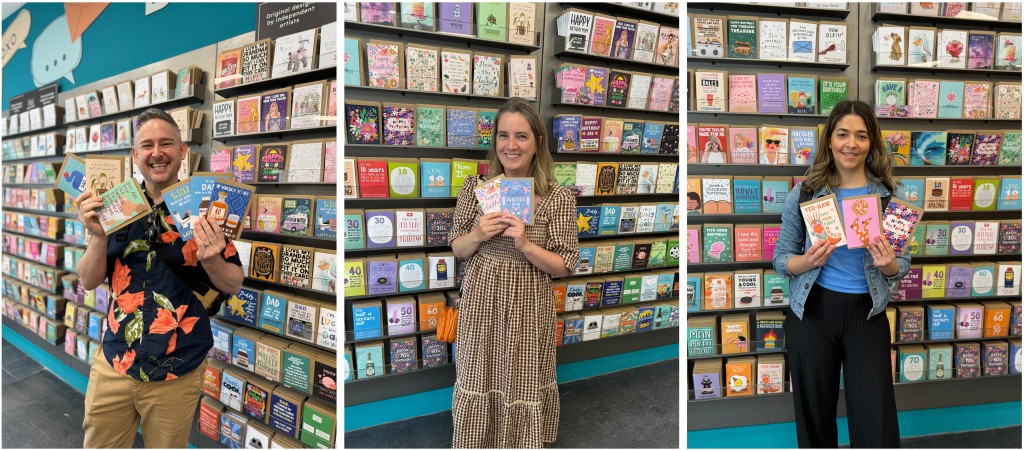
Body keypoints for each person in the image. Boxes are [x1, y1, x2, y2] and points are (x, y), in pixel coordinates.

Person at [76, 108, 244, 448]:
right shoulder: (114, 206)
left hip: (177, 369)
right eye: (147, 145)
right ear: (135, 155)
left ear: (183, 151)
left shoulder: (205, 205)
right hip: (115, 362)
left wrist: (211, 258)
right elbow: (88, 280)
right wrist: (97, 237)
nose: (157, 153)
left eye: (166, 143)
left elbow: (232, 284)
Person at [772, 100, 908, 448]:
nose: (851, 144)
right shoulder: (804, 193)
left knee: (874, 415)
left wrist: (889, 264)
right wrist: (807, 261)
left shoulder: (890, 196)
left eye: (861, 136)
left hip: (868, 311)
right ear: (829, 140)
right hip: (814, 310)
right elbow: (781, 258)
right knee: (814, 412)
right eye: (843, 134)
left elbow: (901, 265)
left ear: (872, 143)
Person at [448, 98, 580, 448]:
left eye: (521, 136)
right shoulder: (475, 190)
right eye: (503, 135)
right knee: (478, 370)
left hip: (528, 300)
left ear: (537, 141)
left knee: (523, 376)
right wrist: (478, 233)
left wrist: (525, 243)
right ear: (495, 142)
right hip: (481, 296)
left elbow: (566, 264)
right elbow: (458, 250)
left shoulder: (558, 196)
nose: (511, 145)